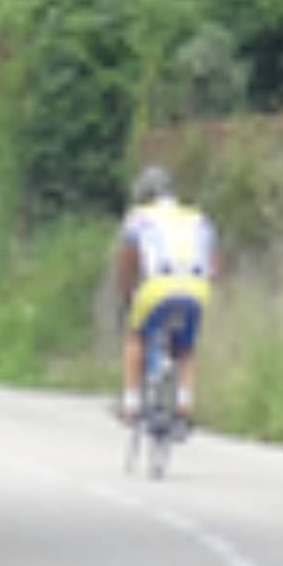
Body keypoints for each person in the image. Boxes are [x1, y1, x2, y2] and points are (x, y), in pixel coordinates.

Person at [114, 162, 216, 429]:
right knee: (185, 347)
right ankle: (184, 407)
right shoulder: (199, 218)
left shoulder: (138, 218)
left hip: (158, 284)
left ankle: (131, 403)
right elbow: (214, 266)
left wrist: (127, 298)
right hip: (196, 287)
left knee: (136, 335)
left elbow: (127, 265)